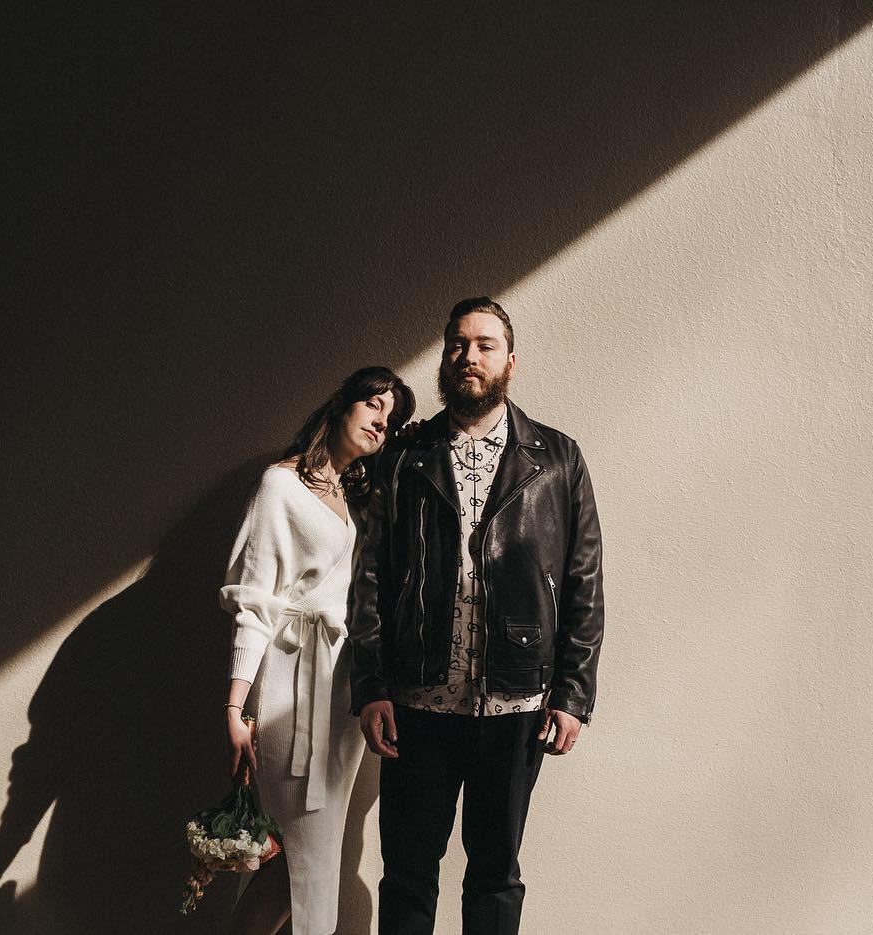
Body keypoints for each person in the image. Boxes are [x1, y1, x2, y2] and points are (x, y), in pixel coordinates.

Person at [348, 298, 605, 935]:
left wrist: (573, 694)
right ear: (445, 357)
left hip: (516, 706)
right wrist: (371, 687)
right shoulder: (407, 456)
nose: (470, 357)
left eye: (485, 345)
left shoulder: (558, 459)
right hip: (418, 701)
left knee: (495, 874)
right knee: (407, 872)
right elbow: (370, 577)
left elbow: (585, 584)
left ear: (510, 361)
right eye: (458, 344)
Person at [221, 365, 416, 935]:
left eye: (391, 417)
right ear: (340, 405)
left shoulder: (356, 497)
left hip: (342, 688)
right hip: (290, 681)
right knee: (301, 849)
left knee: (316, 849)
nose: (381, 422)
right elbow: (253, 601)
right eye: (373, 405)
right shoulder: (279, 485)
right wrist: (235, 708)